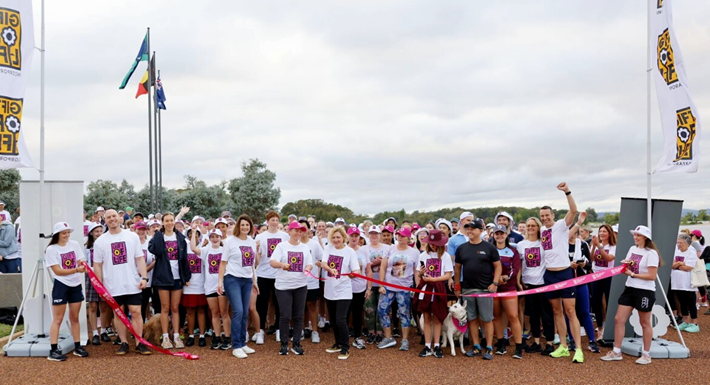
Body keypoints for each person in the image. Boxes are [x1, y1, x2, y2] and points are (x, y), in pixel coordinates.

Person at [93, 209, 151, 355]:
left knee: (136, 312)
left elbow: (139, 258)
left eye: (114, 216)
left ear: (119, 218)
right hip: (112, 285)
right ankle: (124, 342)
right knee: (118, 314)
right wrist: (100, 287)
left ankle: (139, 342)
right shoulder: (100, 241)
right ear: (104, 220)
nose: (112, 219)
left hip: (132, 283)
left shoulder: (132, 236)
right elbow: (97, 265)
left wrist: (144, 277)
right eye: (108, 217)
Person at [601, 225, 661, 365]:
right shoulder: (632, 249)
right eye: (634, 235)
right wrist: (625, 266)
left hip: (645, 291)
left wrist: (632, 274)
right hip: (630, 288)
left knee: (645, 322)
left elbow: (652, 276)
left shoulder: (651, 253)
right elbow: (628, 264)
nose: (635, 237)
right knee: (618, 319)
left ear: (645, 237)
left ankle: (646, 354)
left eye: (638, 235)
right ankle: (616, 351)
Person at [539, 182, 584, 363]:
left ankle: (578, 349)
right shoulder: (543, 230)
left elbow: (573, 210)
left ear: (552, 215)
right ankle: (563, 346)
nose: (544, 218)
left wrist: (567, 192)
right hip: (549, 275)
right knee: (557, 311)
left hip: (564, 273)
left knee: (570, 311)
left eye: (547, 215)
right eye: (542, 216)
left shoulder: (560, 225)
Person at [454, 219, 501, 360]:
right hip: (467, 289)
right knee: (472, 319)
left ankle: (489, 347)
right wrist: (457, 286)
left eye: (473, 229)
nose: (469, 231)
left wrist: (495, 283)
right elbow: (457, 269)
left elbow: (498, 266)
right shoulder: (461, 248)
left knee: (487, 319)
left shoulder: (489, 247)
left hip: (485, 290)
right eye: (467, 228)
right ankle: (476, 346)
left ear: (481, 231)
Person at [45, 222, 89, 361]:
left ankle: (78, 346)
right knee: (58, 318)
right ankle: (53, 350)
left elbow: (81, 260)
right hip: (61, 285)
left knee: (74, 317)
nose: (66, 235)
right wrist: (76, 269)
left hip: (75, 284)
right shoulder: (51, 249)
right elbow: (57, 271)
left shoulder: (74, 244)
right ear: (57, 234)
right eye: (64, 232)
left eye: (68, 232)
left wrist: (82, 265)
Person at [148, 212, 192, 349]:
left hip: (177, 277)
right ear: (162, 222)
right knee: (165, 308)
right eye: (166, 220)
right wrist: (157, 236)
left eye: (171, 220)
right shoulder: (158, 237)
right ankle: (165, 337)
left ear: (174, 221)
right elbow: (154, 250)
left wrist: (187, 276)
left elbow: (184, 259)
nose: (169, 223)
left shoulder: (180, 237)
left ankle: (177, 336)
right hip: (163, 277)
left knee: (175, 308)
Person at [270, 221, 313, 355]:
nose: (298, 233)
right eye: (296, 230)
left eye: (300, 231)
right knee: (285, 315)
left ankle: (296, 343)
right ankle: (284, 343)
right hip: (283, 286)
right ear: (289, 231)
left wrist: (307, 268)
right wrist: (282, 265)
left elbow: (310, 263)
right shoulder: (281, 246)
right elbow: (272, 262)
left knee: (299, 315)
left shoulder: (305, 247)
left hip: (300, 285)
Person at [319, 226, 361, 360]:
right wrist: (329, 269)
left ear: (344, 238)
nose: (336, 240)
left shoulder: (350, 252)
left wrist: (353, 274)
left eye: (338, 237)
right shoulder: (328, 248)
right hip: (330, 289)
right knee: (333, 319)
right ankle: (337, 343)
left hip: (344, 290)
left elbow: (356, 270)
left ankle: (345, 347)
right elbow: (324, 263)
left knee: (341, 319)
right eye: (334, 237)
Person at [220, 214, 259, 358]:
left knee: (245, 313)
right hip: (232, 279)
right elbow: (223, 263)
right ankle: (236, 345)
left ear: (251, 227)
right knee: (238, 311)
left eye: (247, 225)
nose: (245, 227)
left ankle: (242, 343)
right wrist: (220, 283)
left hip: (247, 280)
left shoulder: (252, 242)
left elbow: (252, 265)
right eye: (242, 225)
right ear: (238, 226)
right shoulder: (230, 241)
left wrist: (254, 281)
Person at [376, 227, 419, 351]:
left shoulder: (414, 252)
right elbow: (383, 267)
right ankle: (388, 337)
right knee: (382, 310)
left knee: (404, 313)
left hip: (404, 287)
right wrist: (381, 284)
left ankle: (405, 340)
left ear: (408, 238)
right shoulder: (390, 249)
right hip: (388, 286)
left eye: (403, 236)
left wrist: (418, 287)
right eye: (398, 235)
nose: (400, 238)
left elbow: (416, 271)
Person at [518, 217, 555, 355]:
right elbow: (520, 265)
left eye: (533, 225)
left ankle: (550, 342)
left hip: (544, 283)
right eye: (528, 226)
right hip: (529, 284)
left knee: (547, 314)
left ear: (538, 227)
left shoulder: (543, 243)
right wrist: (519, 281)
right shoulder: (521, 244)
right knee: (533, 315)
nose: (530, 228)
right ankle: (537, 342)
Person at [414, 229, 452, 359]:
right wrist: (421, 273)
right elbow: (419, 272)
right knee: (426, 317)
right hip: (426, 289)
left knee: (437, 318)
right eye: (431, 243)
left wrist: (434, 279)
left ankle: (437, 345)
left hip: (438, 288)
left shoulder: (445, 256)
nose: (432, 245)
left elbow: (448, 275)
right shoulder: (423, 255)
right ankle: (427, 345)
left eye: (435, 243)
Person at [193, 226, 231, 350]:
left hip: (223, 285)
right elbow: (193, 248)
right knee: (214, 313)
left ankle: (227, 337)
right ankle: (217, 336)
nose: (214, 239)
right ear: (209, 238)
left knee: (224, 313)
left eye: (217, 237)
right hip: (209, 286)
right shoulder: (206, 250)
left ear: (221, 238)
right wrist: (194, 232)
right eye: (212, 237)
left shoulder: (225, 249)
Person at [254, 210, 289, 343]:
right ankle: (260, 330)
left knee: (279, 303)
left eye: (276, 220)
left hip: (279, 275)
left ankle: (279, 330)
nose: (274, 222)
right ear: (267, 222)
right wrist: (257, 252)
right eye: (272, 220)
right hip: (263, 274)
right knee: (261, 304)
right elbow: (256, 260)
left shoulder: (284, 236)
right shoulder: (260, 237)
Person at [490, 224, 523, 359]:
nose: (499, 236)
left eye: (501, 233)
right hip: (494, 287)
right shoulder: (490, 250)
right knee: (496, 316)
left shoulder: (512, 251)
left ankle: (519, 347)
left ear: (506, 234)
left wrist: (505, 278)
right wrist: (495, 280)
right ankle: (501, 344)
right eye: (496, 233)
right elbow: (487, 268)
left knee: (513, 316)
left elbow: (515, 269)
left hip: (508, 287)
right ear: (493, 235)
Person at [567, 215, 599, 353]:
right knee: (570, 312)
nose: (574, 235)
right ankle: (572, 341)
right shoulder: (562, 244)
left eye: (576, 232)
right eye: (572, 232)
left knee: (585, 311)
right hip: (567, 283)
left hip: (581, 282)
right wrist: (569, 265)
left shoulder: (583, 244)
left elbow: (590, 264)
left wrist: (583, 263)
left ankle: (592, 341)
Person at [361, 225, 389, 344]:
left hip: (383, 282)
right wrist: (373, 264)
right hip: (369, 283)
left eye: (376, 234)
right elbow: (363, 266)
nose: (374, 236)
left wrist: (381, 262)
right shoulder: (364, 249)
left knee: (381, 309)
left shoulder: (387, 248)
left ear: (380, 235)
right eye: (371, 234)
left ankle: (380, 333)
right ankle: (371, 332)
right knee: (369, 308)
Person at [590, 223, 617, 339]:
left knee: (609, 300)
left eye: (604, 231)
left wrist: (599, 246)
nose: (602, 233)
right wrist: (594, 246)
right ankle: (600, 327)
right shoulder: (596, 244)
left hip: (608, 276)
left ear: (609, 233)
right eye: (600, 231)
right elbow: (591, 259)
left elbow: (608, 258)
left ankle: (609, 326)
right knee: (596, 302)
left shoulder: (613, 246)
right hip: (596, 275)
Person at [183, 225, 208, 347]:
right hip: (188, 285)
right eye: (191, 234)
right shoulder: (185, 247)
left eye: (197, 233)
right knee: (190, 311)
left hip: (201, 284)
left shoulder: (204, 247)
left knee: (201, 310)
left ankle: (202, 335)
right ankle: (191, 335)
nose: (194, 236)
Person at [670, 233, 699, 333]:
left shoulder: (691, 251)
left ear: (687, 243)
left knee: (691, 302)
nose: (678, 244)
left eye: (680, 243)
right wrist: (680, 264)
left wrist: (678, 265)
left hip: (688, 282)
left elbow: (689, 267)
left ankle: (694, 323)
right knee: (682, 302)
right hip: (677, 281)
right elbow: (672, 265)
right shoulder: (676, 250)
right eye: (678, 242)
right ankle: (685, 322)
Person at [346, 227, 368, 350]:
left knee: (357, 312)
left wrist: (368, 287)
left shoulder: (364, 251)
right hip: (345, 286)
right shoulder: (343, 249)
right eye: (352, 235)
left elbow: (368, 270)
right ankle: (343, 339)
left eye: (356, 235)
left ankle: (357, 337)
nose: (354, 238)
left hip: (359, 287)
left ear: (360, 237)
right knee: (344, 313)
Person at [302, 219, 323, 344]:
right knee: (299, 307)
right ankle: (302, 329)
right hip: (297, 282)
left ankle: (315, 331)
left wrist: (320, 264)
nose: (302, 231)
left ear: (309, 230)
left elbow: (322, 258)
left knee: (312, 306)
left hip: (312, 281)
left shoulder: (314, 244)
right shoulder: (293, 244)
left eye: (305, 228)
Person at [84, 222, 104, 345]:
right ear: (91, 233)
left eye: (100, 231)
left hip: (104, 276)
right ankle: (95, 332)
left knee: (104, 305)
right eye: (96, 231)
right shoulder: (86, 247)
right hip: (91, 277)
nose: (98, 233)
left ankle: (105, 330)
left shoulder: (105, 244)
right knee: (93, 306)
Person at [135, 222, 157, 325]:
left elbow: (154, 261)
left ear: (146, 230)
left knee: (143, 306)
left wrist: (144, 271)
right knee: (134, 307)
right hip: (133, 279)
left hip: (147, 281)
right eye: (139, 229)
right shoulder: (132, 242)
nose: (141, 231)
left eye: (143, 229)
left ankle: (142, 328)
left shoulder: (149, 243)